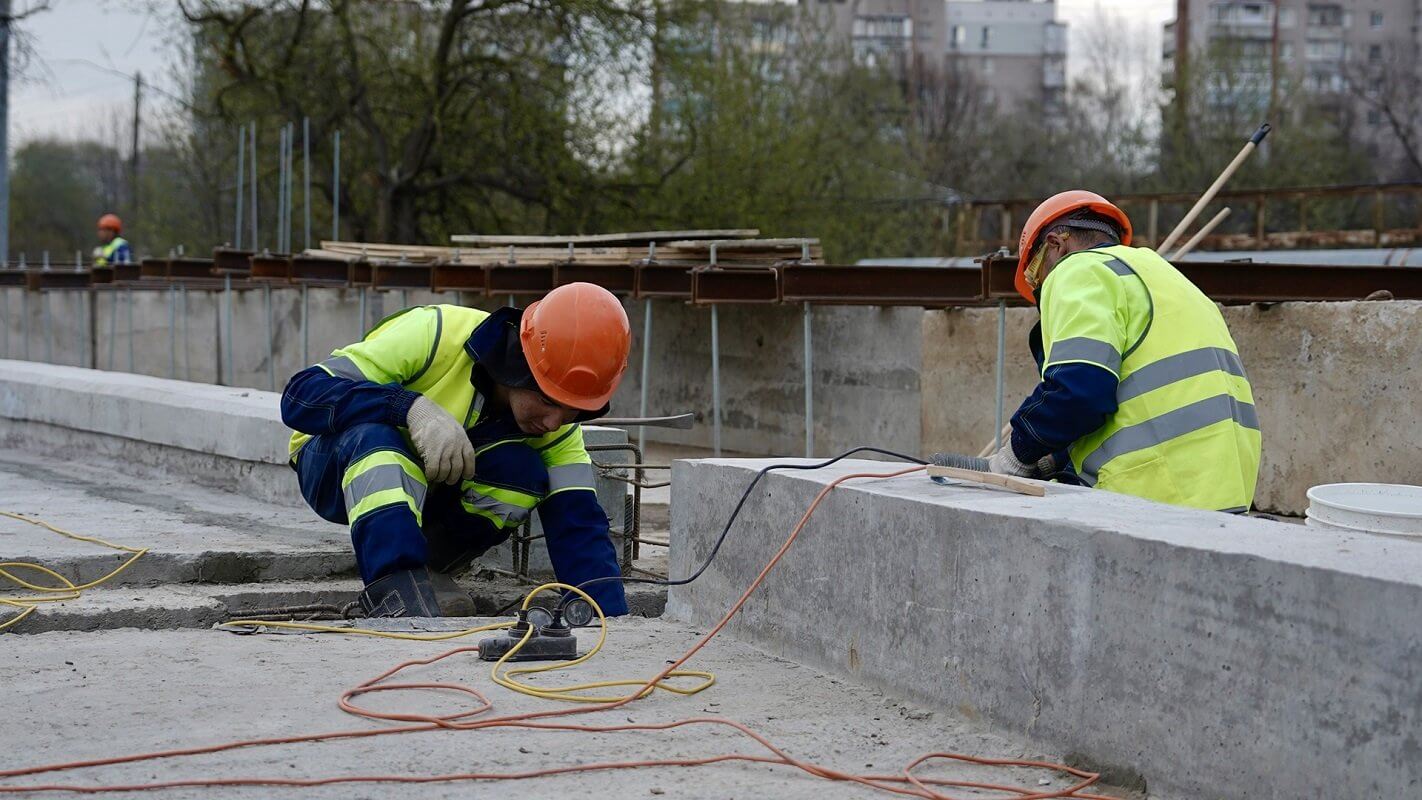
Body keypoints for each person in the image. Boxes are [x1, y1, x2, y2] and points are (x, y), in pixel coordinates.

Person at [280, 283, 632, 617]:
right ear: (519, 365)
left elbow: (579, 522)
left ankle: (429, 571)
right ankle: (396, 588)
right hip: (332, 464)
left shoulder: (556, 427)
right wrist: (409, 408)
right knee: (378, 442)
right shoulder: (434, 333)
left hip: (429, 488)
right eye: (547, 401)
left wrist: (607, 617)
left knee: (521, 472)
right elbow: (302, 395)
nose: (555, 422)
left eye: (574, 411)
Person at [988, 190, 1261, 512]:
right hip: (1225, 490)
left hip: (1152, 495)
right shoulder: (1166, 277)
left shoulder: (1078, 270)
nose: (1039, 289)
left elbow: (1079, 390)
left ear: (1056, 244)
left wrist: (1016, 455)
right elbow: (1142, 397)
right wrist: (1054, 459)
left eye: (1035, 274)